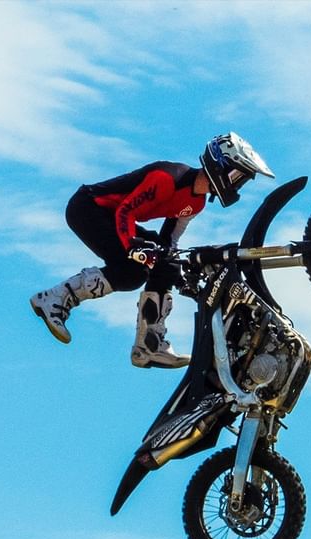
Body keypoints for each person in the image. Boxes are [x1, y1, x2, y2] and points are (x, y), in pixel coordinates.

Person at [29, 132, 273, 368]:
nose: (237, 185)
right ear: (220, 165)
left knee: (166, 263)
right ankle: (55, 298)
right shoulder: (166, 179)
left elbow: (170, 241)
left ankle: (149, 345)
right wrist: (132, 248)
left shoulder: (196, 203)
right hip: (87, 209)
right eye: (237, 176)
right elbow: (125, 211)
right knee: (132, 272)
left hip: (112, 217)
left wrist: (177, 276)